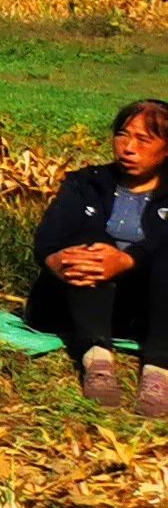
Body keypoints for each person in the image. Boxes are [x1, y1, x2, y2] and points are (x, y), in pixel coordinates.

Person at [30, 98, 168, 411]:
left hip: (149, 311)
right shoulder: (85, 183)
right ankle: (97, 358)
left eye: (144, 140)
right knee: (86, 245)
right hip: (82, 300)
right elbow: (47, 239)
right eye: (122, 135)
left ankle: (159, 369)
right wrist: (61, 261)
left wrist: (128, 259)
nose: (128, 148)